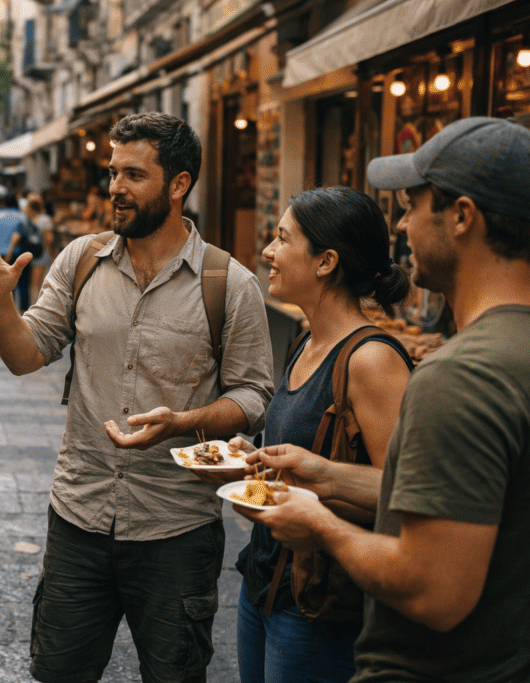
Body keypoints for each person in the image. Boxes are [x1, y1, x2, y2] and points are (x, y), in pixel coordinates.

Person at [0, 111, 274, 683]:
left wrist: (186, 421)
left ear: (179, 183)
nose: (115, 188)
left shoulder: (230, 284)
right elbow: (26, 355)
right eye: (113, 172)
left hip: (176, 529)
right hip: (78, 517)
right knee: (59, 672)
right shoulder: (81, 260)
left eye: (134, 174)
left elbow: (254, 395)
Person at [240, 117, 530, 683]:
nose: (401, 225)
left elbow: (433, 589)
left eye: (412, 204)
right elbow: (449, 500)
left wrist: (320, 524)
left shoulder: (461, 376)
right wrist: (321, 474)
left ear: (461, 217)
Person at [212, 187, 412, 683]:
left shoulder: (372, 360)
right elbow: (307, 456)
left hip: (320, 605)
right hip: (264, 581)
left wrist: (313, 496)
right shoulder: (305, 342)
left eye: (282, 239)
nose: (268, 252)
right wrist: (252, 459)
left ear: (325, 262)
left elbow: (405, 496)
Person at [0, 192, 34, 312]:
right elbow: (27, 233)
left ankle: (8, 311)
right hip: (20, 254)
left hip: (0, 254)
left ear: (3, 202)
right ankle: (24, 312)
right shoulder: (22, 216)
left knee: (5, 285)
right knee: (23, 284)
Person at [23, 193, 54, 304]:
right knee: (38, 285)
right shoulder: (45, 220)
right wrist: (52, 254)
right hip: (41, 254)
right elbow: (49, 239)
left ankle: (29, 306)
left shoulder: (26, 219)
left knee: (30, 284)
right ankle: (36, 307)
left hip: (26, 254)